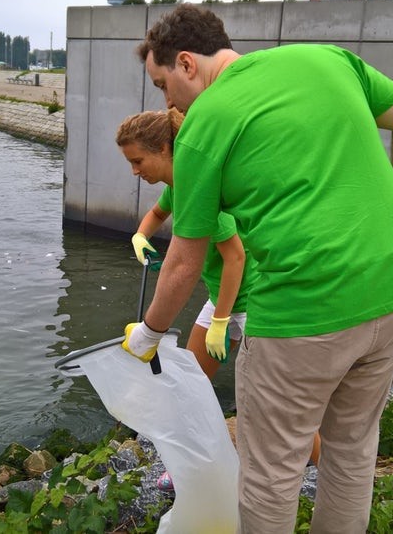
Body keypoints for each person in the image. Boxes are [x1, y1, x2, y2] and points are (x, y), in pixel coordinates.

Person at [119, 4, 393, 533]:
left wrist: (148, 336)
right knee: (352, 452)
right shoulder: (328, 60)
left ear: (186, 64)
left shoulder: (203, 122)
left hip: (305, 307)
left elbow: (184, 257)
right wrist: (388, 213)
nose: (166, 99)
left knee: (271, 475)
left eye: (162, 83)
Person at [116, 109, 322, 489]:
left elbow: (236, 257)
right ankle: (191, 468)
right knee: (189, 387)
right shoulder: (178, 187)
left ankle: (324, 470)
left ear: (164, 148)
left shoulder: (204, 191)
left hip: (255, 302)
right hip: (222, 300)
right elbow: (157, 213)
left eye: (138, 161)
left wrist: (223, 321)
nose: (134, 171)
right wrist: (141, 236)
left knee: (279, 399)